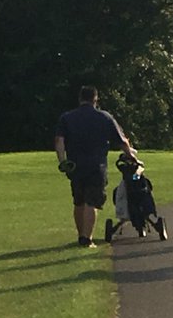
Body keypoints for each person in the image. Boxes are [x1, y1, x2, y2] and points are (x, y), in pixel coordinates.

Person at [54, 86, 135, 248]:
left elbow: (59, 141)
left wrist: (62, 161)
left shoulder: (67, 117)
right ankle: (87, 239)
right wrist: (131, 156)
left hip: (75, 165)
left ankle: (80, 235)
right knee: (92, 202)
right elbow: (122, 141)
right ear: (95, 99)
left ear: (80, 98)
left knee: (79, 201)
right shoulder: (104, 117)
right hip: (96, 165)